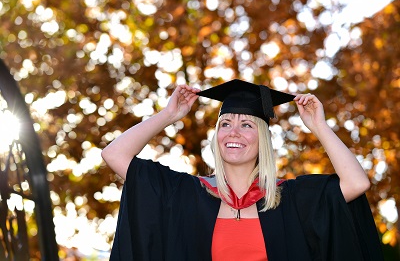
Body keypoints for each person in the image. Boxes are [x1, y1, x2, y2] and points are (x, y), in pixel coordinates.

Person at [102, 79, 383, 261]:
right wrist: (169, 115)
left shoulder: (292, 199)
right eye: (225, 124)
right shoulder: (184, 194)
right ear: (217, 136)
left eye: (247, 124)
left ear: (262, 138)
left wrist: (319, 127)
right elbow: (113, 154)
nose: (233, 132)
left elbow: (356, 183)